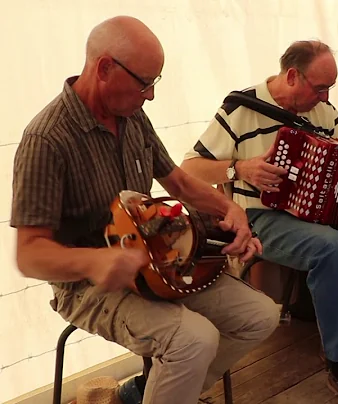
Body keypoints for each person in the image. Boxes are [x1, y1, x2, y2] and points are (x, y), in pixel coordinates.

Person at [11, 16, 279, 404]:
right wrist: (94, 262)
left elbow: (179, 182)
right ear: (104, 68)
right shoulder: (47, 140)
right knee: (194, 340)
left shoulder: (132, 115)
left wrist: (229, 209)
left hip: (157, 265)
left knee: (260, 316)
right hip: (88, 287)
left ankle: (147, 393)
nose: (151, 95)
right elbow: (29, 253)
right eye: (145, 82)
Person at [181, 40, 338, 404]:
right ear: (292, 76)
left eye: (330, 88)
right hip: (260, 216)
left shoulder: (323, 112)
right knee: (332, 247)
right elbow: (189, 169)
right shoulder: (240, 108)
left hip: (328, 214)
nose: (326, 97)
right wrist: (240, 167)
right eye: (320, 87)